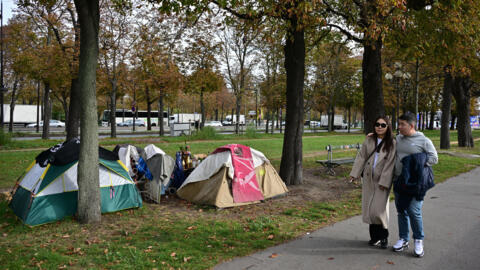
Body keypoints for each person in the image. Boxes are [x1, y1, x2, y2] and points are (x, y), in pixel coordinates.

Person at [392, 112, 438, 257]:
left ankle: (418, 239)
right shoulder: (398, 138)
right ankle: (403, 239)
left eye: (402, 124)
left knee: (414, 211)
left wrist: (415, 164)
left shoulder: (423, 140)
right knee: (401, 211)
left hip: (415, 183)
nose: (399, 127)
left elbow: (434, 158)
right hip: (399, 181)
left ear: (411, 125)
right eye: (398, 124)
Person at [349, 116, 396, 249]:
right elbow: (361, 157)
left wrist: (384, 181)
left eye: (383, 125)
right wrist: (355, 174)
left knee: (379, 210)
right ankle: (374, 237)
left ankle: (384, 237)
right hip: (368, 179)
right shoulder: (369, 140)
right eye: (377, 124)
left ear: (388, 127)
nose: (379, 127)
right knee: (370, 209)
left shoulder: (392, 142)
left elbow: (390, 164)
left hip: (382, 181)